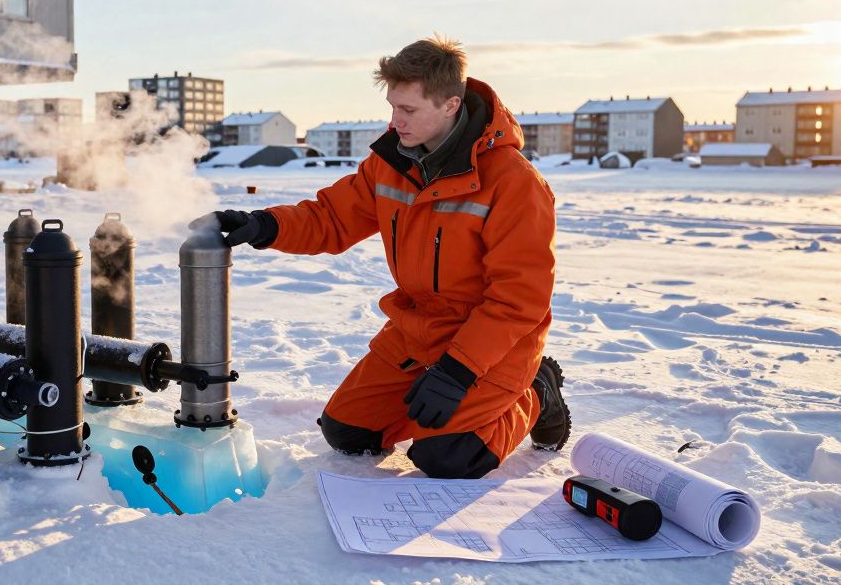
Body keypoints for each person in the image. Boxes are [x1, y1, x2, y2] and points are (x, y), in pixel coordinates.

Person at [191, 36, 570, 479]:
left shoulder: (514, 184)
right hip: (417, 331)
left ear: (450, 104)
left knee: (448, 457)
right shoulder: (393, 162)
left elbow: (518, 301)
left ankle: (535, 391)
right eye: (392, 106)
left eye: (408, 110)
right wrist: (265, 226)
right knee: (347, 433)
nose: (395, 121)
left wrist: (458, 372)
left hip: (493, 342)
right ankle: (448, 412)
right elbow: (331, 217)